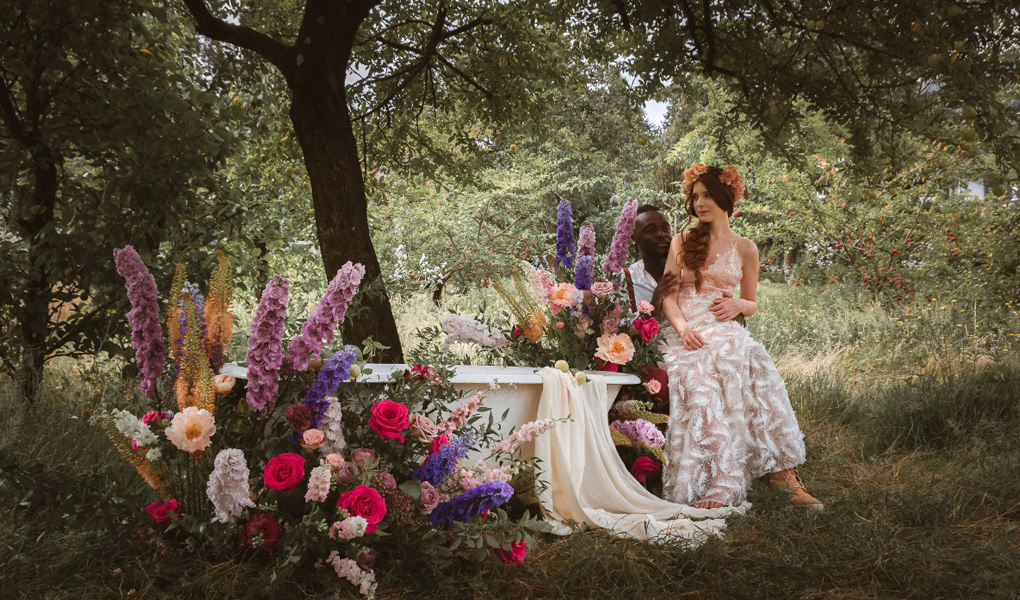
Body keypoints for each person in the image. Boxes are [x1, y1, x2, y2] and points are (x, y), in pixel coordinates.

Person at [657, 163, 822, 510]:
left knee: (748, 354)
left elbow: (752, 303)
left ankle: (784, 474)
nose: (699, 203)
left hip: (724, 326)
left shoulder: (746, 248)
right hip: (686, 330)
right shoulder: (682, 241)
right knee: (698, 371)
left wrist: (738, 304)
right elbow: (667, 296)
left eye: (707, 196)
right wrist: (684, 328)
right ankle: (720, 481)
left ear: (726, 198)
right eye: (695, 196)